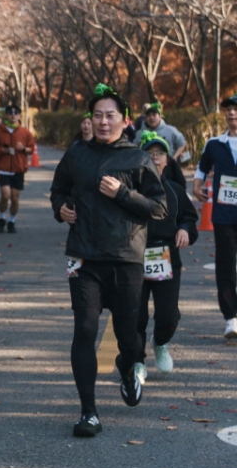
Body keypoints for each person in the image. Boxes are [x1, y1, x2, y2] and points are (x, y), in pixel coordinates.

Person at [49, 84, 167, 438]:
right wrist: (61, 209)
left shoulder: (138, 158)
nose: (103, 121)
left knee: (128, 335)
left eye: (110, 115)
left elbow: (158, 208)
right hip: (84, 257)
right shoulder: (76, 155)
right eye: (97, 115)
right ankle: (89, 412)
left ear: (125, 120)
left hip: (125, 259)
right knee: (84, 330)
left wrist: (123, 193)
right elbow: (57, 190)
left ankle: (129, 365)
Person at [133, 133, 198, 383]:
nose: (154, 158)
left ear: (167, 160)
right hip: (135, 260)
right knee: (135, 316)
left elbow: (189, 218)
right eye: (149, 154)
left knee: (168, 316)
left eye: (159, 154)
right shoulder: (130, 189)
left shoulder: (175, 190)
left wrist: (184, 229)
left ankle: (160, 342)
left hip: (167, 260)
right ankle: (138, 360)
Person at [192, 94, 237, 339]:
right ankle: (231, 318)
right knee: (226, 265)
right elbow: (202, 166)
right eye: (228, 110)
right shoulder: (215, 144)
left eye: (236, 109)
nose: (232, 113)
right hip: (224, 213)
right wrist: (197, 184)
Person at [0, 106, 35, 233]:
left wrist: (24, 149)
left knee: (15, 198)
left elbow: (31, 148)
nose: (13, 115)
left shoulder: (25, 132)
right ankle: (2, 218)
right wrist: (3, 150)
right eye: (10, 113)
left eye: (16, 113)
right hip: (3, 168)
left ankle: (12, 221)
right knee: (5, 195)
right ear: (6, 115)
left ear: (19, 115)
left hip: (18, 168)